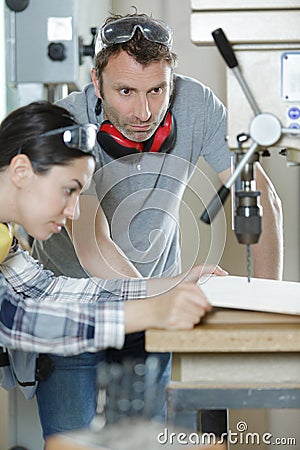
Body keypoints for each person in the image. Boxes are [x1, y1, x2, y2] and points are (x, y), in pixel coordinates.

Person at [31, 12, 283, 439]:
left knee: (147, 443)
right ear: (97, 82)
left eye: (157, 90)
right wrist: (165, 296)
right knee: (69, 443)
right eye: (125, 91)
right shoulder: (67, 121)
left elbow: (262, 199)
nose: (143, 111)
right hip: (72, 310)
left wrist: (264, 316)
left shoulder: (197, 105)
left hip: (150, 312)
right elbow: (93, 245)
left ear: (172, 80)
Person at [0, 100, 226, 440]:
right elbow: (18, 319)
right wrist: (149, 311)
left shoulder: (5, 235)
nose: (75, 211)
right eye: (68, 190)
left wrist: (169, 285)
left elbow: (46, 289)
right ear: (21, 171)